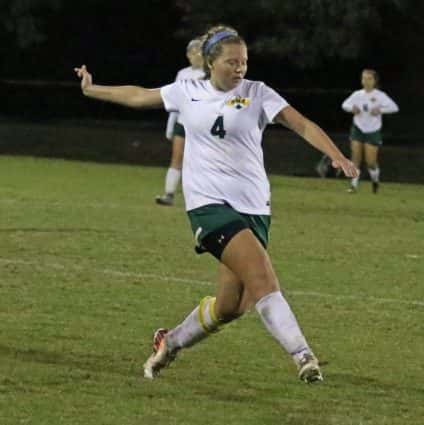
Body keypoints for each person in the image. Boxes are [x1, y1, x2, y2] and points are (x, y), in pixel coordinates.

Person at [74, 25, 359, 383]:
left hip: (254, 206)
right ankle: (304, 357)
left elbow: (301, 124)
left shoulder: (257, 92)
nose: (239, 69)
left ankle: (171, 341)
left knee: (231, 306)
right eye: (231, 62)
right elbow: (138, 96)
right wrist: (92, 89)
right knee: (263, 281)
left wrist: (336, 156)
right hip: (209, 206)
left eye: (244, 62)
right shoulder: (186, 91)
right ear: (211, 63)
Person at [155, 37, 206, 206]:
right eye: (192, 52)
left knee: (202, 161)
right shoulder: (182, 74)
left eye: (199, 51)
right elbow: (175, 100)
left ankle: (205, 197)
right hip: (182, 122)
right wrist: (171, 124)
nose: (196, 55)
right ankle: (169, 194)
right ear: (188, 55)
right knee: (176, 158)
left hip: (201, 124)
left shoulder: (209, 74)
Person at [341, 69, 399, 193]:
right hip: (358, 129)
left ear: (374, 81)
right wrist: (352, 108)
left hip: (373, 131)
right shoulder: (357, 94)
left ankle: (375, 181)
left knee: (370, 162)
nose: (366, 81)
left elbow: (394, 107)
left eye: (369, 79)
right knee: (355, 157)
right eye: (364, 78)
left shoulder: (380, 95)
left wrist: (380, 110)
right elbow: (344, 105)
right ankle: (353, 185)